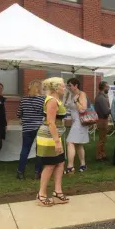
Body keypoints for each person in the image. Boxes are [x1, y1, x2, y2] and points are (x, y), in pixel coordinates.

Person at [36, 77, 69, 206]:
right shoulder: (52, 101)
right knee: (50, 165)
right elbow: (50, 122)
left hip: (55, 136)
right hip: (49, 137)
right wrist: (57, 141)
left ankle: (57, 192)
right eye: (63, 86)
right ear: (56, 88)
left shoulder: (56, 100)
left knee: (60, 163)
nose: (64, 88)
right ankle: (41, 194)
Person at [16, 80, 46, 180]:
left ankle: (20, 172)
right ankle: (37, 172)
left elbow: (18, 114)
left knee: (25, 149)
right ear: (39, 88)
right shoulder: (43, 99)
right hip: (39, 128)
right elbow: (46, 113)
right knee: (39, 151)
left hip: (27, 128)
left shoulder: (24, 99)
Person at [64, 78, 89, 174]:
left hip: (80, 122)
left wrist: (76, 101)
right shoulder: (70, 95)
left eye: (70, 85)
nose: (68, 87)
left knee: (70, 142)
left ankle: (70, 166)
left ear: (76, 85)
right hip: (75, 121)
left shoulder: (81, 94)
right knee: (78, 144)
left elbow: (83, 109)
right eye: (68, 85)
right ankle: (83, 164)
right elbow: (67, 107)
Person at [94, 81, 111, 162]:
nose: (108, 88)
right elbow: (106, 111)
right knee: (102, 139)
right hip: (102, 120)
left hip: (102, 119)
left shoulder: (101, 97)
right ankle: (99, 156)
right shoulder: (101, 98)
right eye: (107, 87)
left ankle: (102, 154)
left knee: (103, 138)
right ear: (104, 87)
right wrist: (113, 109)